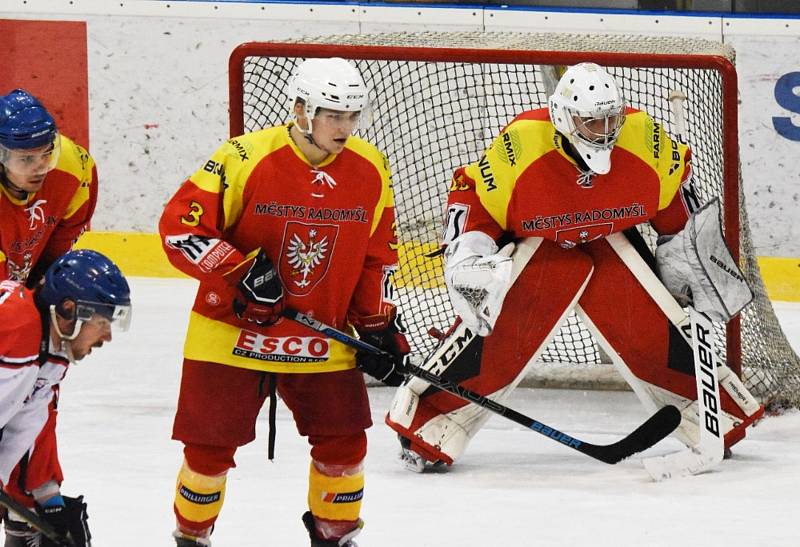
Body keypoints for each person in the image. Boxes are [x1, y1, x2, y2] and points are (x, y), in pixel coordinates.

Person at [385, 62, 764, 472]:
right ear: (565, 118)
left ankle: (713, 416)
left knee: (641, 311)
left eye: (610, 118)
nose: (605, 131)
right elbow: (474, 199)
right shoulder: (521, 148)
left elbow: (679, 210)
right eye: (591, 120)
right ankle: (432, 424)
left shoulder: (645, 141)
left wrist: (689, 260)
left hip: (607, 242)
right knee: (514, 313)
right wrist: (468, 255)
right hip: (539, 247)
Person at [160, 57, 408, 546]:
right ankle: (191, 537)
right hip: (229, 331)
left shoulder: (370, 168)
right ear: (300, 109)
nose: (344, 127)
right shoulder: (243, 157)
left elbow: (375, 258)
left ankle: (335, 536)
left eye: (352, 115)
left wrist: (377, 326)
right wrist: (239, 270)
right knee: (207, 450)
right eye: (333, 114)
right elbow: (180, 229)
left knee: (345, 444)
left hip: (320, 333)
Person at [0, 89, 100, 544]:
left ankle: (33, 498)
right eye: (26, 158)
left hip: (20, 295)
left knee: (41, 385)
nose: (41, 165)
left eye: (46, 151)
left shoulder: (76, 168)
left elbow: (63, 237)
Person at [0, 249, 132, 546]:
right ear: (70, 310)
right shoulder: (14, 329)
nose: (107, 336)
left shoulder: (49, 351)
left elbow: (27, 427)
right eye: (102, 322)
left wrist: (47, 498)